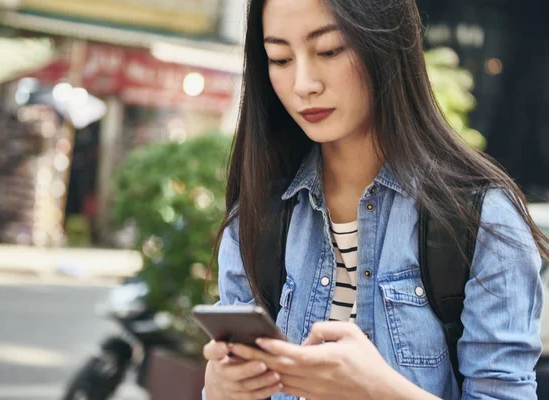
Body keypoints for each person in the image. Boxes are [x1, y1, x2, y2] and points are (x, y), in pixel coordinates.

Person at [201, 0, 549, 399]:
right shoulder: (257, 217)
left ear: (385, 43)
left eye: (329, 50)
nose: (303, 84)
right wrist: (218, 389)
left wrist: (379, 392)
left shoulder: (482, 222)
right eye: (280, 58)